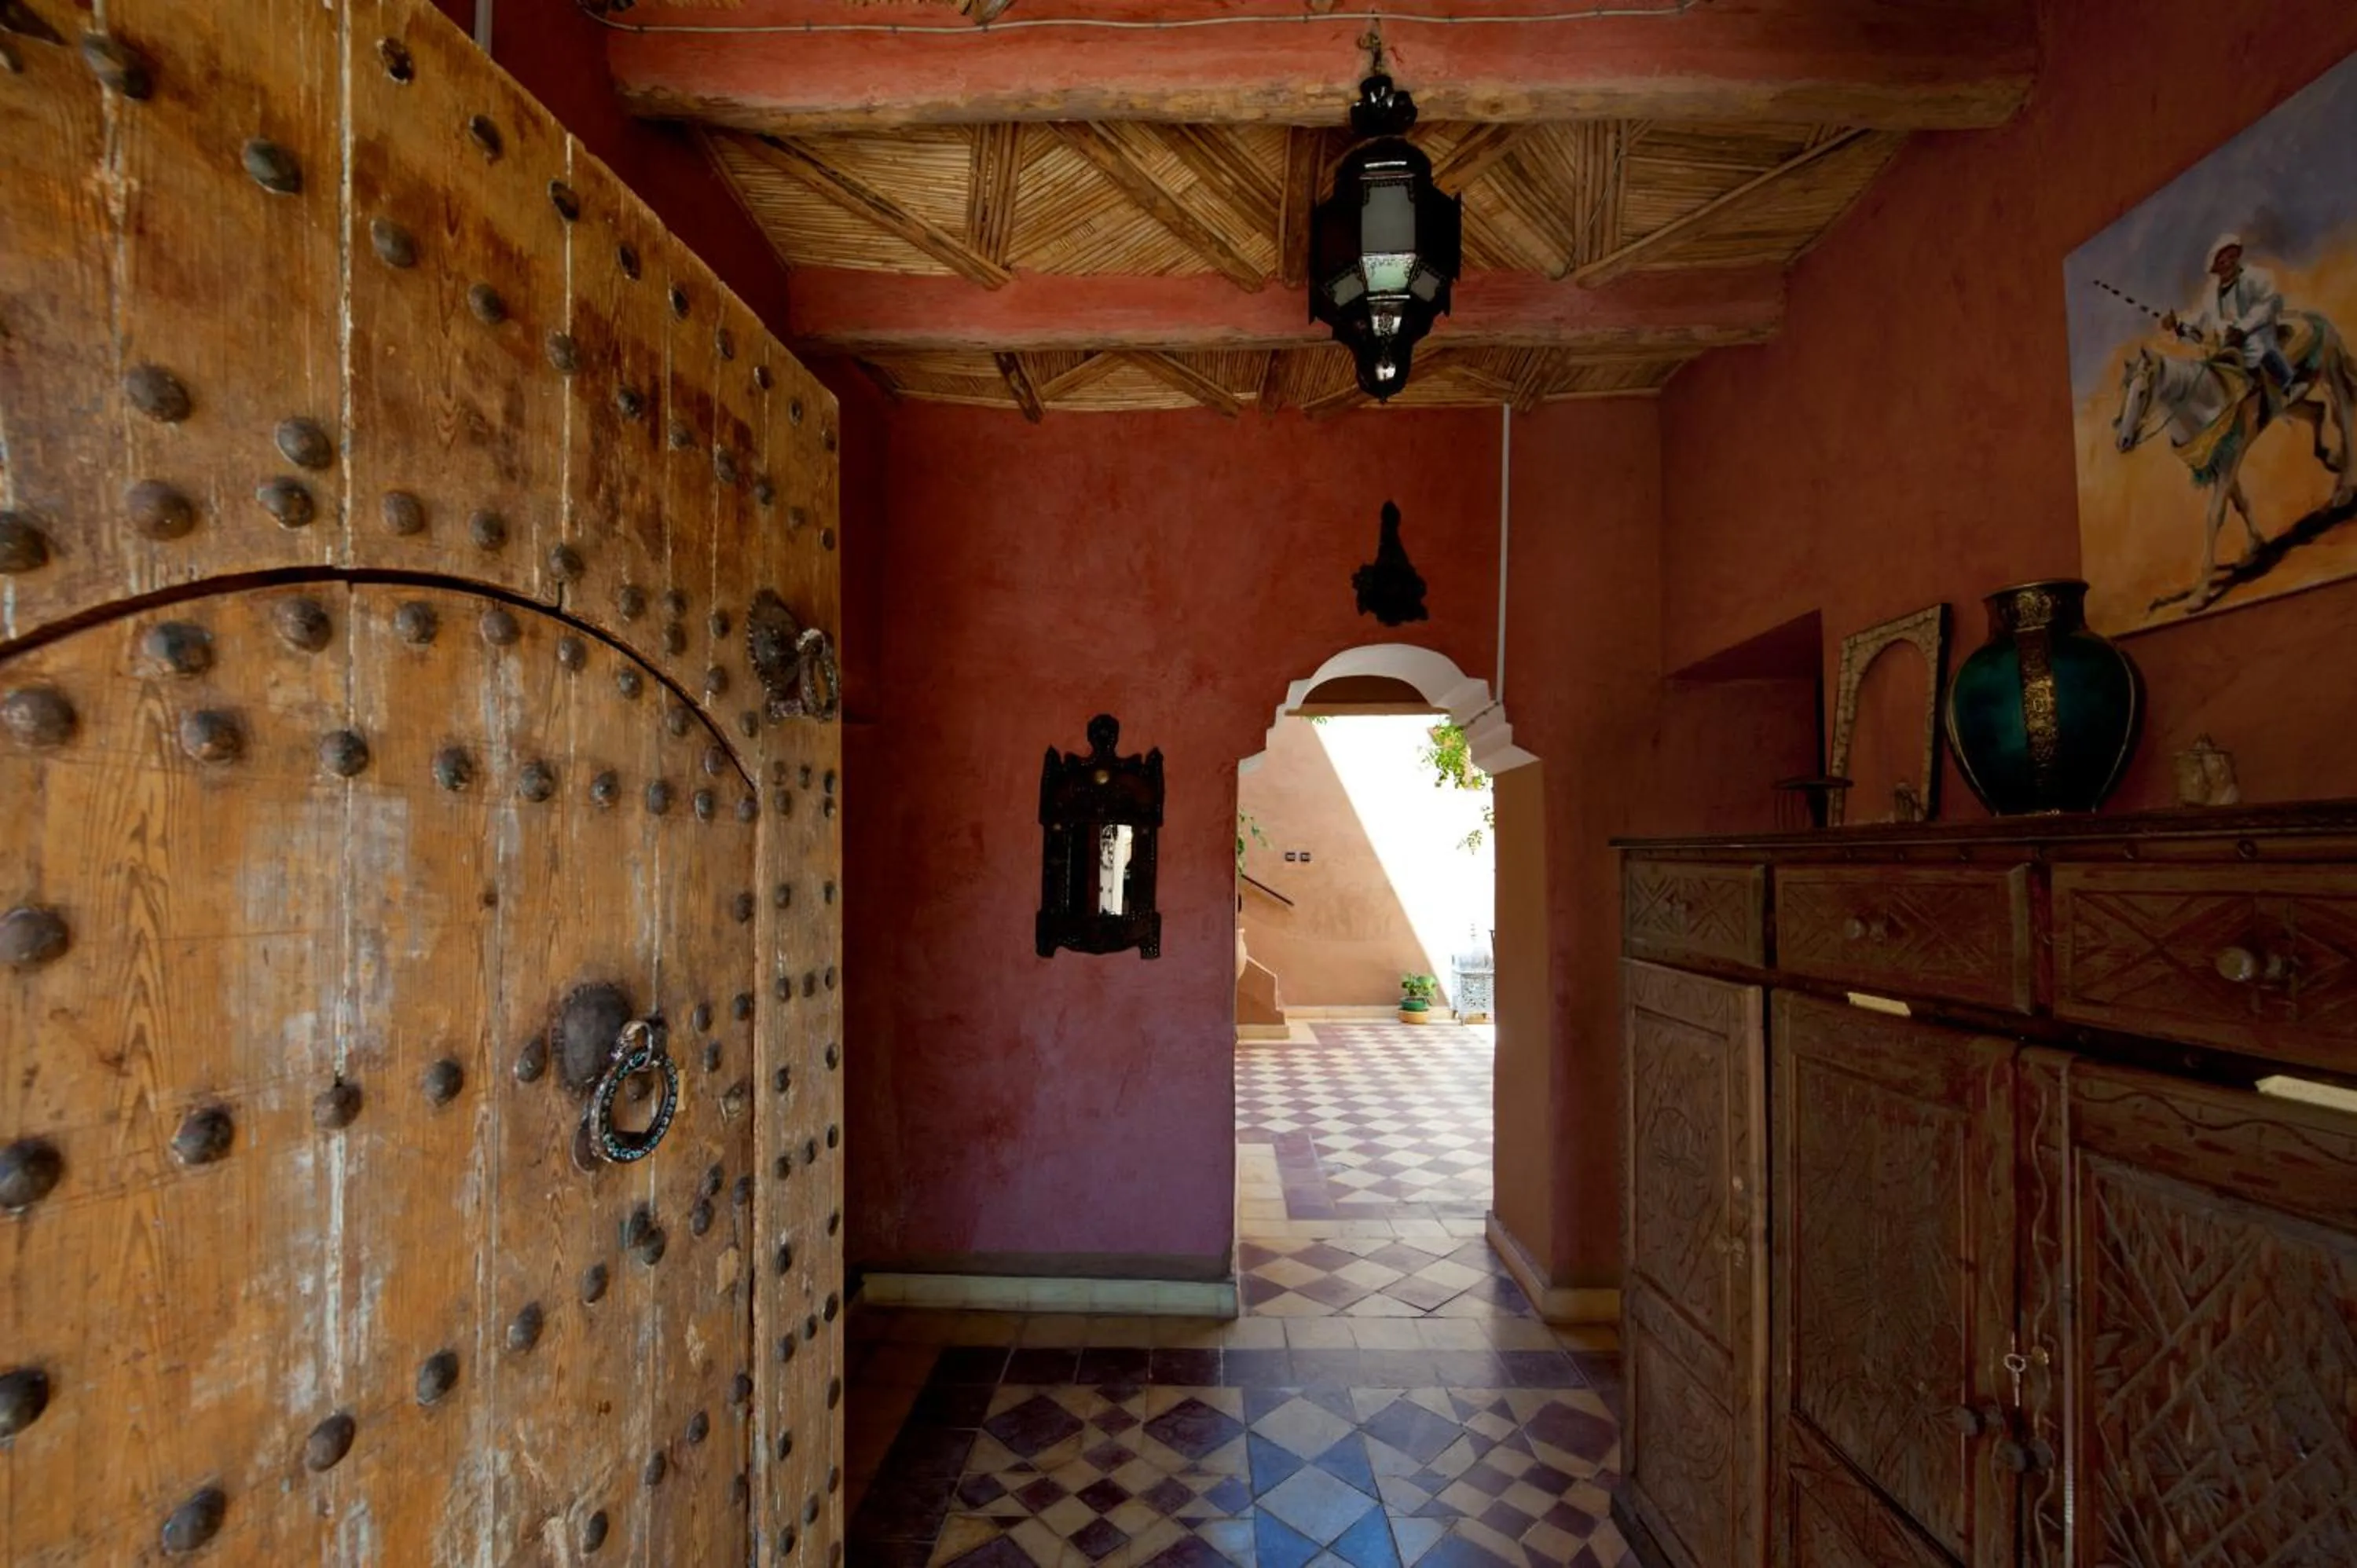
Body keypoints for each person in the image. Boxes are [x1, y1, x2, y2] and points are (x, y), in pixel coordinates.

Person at [2165, 234, 2304, 405]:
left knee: (2256, 346)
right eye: (2223, 262)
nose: (2229, 263)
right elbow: (2198, 320)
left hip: (2256, 329)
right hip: (2228, 343)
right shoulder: (2211, 295)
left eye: (2232, 258)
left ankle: (2290, 384)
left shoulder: (2254, 277)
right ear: (2216, 268)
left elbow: (2267, 303)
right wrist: (2178, 325)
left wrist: (2242, 329)